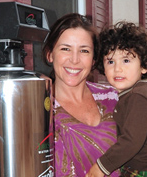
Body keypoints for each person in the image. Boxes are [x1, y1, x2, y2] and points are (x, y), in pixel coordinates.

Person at [86, 21, 147, 177]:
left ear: (144, 65)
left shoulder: (138, 97)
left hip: (144, 172)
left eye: (126, 60)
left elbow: (131, 142)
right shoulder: (136, 92)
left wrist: (101, 167)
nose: (118, 68)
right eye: (110, 61)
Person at [42, 13, 120, 176]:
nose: (75, 59)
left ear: (93, 59)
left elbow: (146, 137)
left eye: (84, 50)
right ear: (50, 54)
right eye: (65, 49)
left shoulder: (113, 98)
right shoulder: (38, 108)